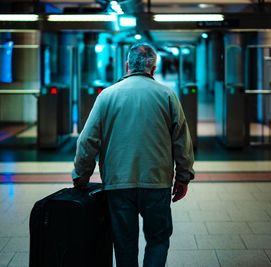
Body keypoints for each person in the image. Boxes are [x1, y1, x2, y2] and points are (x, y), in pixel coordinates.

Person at [72, 43, 194, 267]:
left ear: (127, 65)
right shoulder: (167, 95)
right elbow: (182, 140)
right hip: (157, 182)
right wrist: (183, 177)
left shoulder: (107, 96)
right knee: (158, 240)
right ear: (154, 68)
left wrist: (81, 175)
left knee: (124, 243)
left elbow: (87, 140)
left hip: (118, 184)